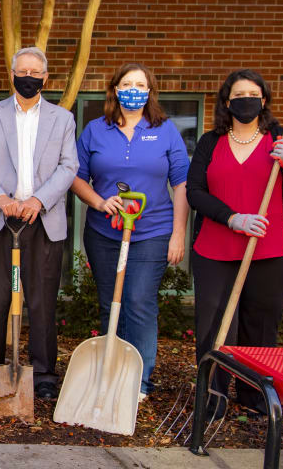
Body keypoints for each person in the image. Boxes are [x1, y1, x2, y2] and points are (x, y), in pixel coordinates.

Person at [187, 69, 283, 414]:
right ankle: (212, 399)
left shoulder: (282, 137)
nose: (246, 100)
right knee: (215, 323)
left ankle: (254, 396)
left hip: (271, 250)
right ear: (227, 102)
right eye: (238, 94)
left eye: (253, 94)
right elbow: (195, 192)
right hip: (216, 248)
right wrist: (233, 217)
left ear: (263, 100)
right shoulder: (209, 142)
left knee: (259, 325)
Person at [71, 62, 189, 398]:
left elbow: (181, 184)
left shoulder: (165, 130)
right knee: (111, 304)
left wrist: (178, 233)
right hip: (104, 233)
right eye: (126, 84)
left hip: (152, 231)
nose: (133, 90)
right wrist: (98, 201)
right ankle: (111, 374)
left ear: (150, 92)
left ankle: (139, 381)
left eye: (140, 85)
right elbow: (76, 176)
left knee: (138, 302)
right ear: (115, 90)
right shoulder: (96, 129)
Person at [0, 47, 78, 401]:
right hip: (0, 221)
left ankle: (44, 373)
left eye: (35, 72)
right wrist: (1, 199)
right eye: (22, 70)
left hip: (43, 222)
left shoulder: (62, 119)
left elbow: (68, 167)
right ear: (12, 74)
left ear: (45, 78)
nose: (28, 76)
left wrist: (38, 200)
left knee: (43, 302)